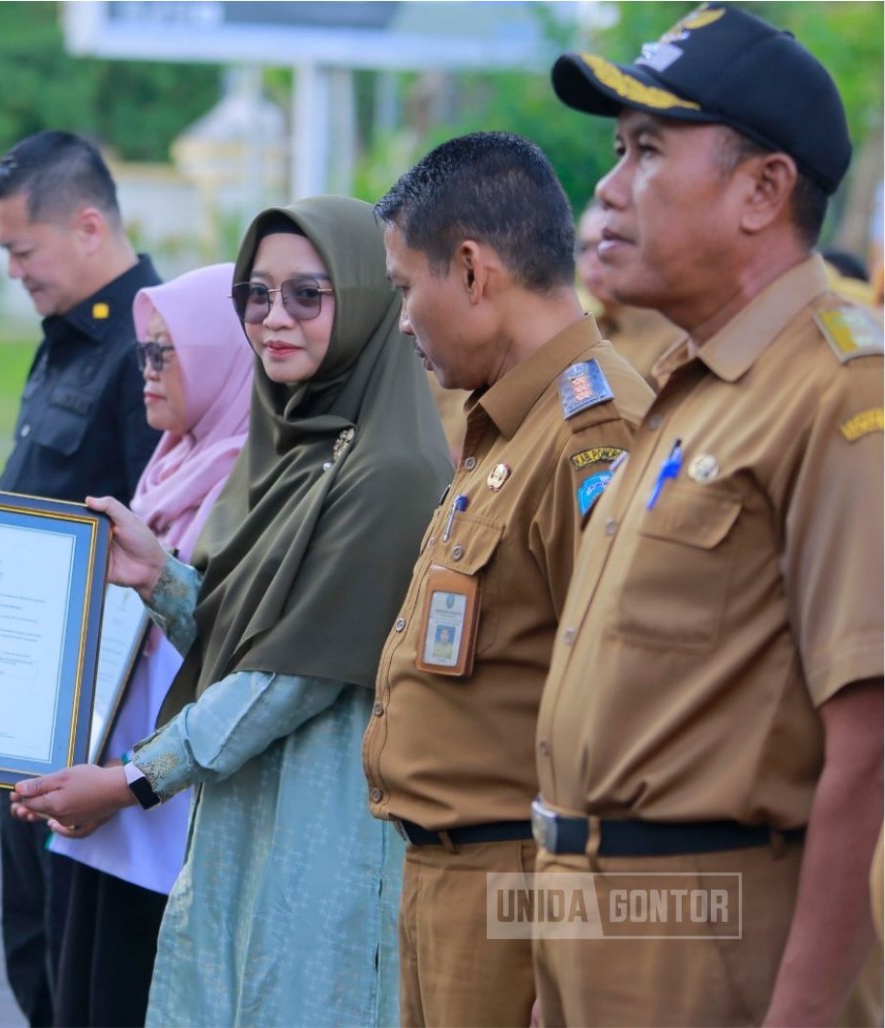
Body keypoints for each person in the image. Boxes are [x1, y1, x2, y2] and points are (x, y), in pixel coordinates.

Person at [13, 196, 451, 1026]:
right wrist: (161, 578)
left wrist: (133, 780)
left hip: (323, 824)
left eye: (307, 295)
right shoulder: (304, 447)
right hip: (247, 811)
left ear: (366, 298)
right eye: (257, 294)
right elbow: (252, 638)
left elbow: (292, 677)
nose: (274, 318)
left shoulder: (390, 467)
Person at [533, 6, 882, 1024]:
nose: (609, 186)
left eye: (647, 150)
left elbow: (869, 749)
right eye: (617, 149)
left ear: (762, 190)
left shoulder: (840, 390)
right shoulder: (688, 384)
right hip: (585, 930)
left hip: (708, 954)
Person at [364, 132, 652, 1028]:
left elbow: (627, 717)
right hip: (448, 878)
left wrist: (571, 959)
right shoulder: (510, 423)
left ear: (471, 270)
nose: (403, 321)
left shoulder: (592, 434)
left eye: (405, 289)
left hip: (518, 889)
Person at [27, 262, 253, 1027]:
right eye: (141, 353)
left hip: (171, 822)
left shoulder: (249, 490)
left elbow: (240, 661)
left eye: (166, 352)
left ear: (225, 359)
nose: (146, 371)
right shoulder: (167, 470)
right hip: (107, 810)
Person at [0, 129, 163, 1027]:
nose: (13, 271)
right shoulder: (67, 335)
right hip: (22, 697)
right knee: (30, 940)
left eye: (23, 250)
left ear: (88, 226)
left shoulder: (150, 346)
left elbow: (157, 543)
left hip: (89, 716)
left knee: (76, 956)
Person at [576, 201, 681, 388]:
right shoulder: (587, 334)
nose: (592, 260)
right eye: (584, 248)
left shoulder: (676, 340)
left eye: (606, 244)